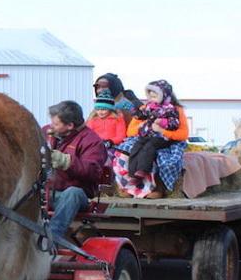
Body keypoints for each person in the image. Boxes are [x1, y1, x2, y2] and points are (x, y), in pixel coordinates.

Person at [113, 80, 189, 199]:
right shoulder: (147, 107)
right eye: (150, 94)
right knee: (125, 151)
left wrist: (161, 130)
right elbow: (131, 130)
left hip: (165, 138)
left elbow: (183, 134)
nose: (152, 97)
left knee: (156, 155)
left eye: (155, 94)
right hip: (145, 136)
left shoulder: (174, 109)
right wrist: (142, 124)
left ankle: (155, 189)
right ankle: (128, 185)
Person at [45, 101, 107, 240]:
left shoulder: (92, 141)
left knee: (73, 193)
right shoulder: (47, 133)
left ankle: (51, 239)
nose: (50, 126)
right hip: (47, 192)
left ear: (70, 126)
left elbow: (93, 171)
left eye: (55, 124)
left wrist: (66, 162)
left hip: (76, 197)